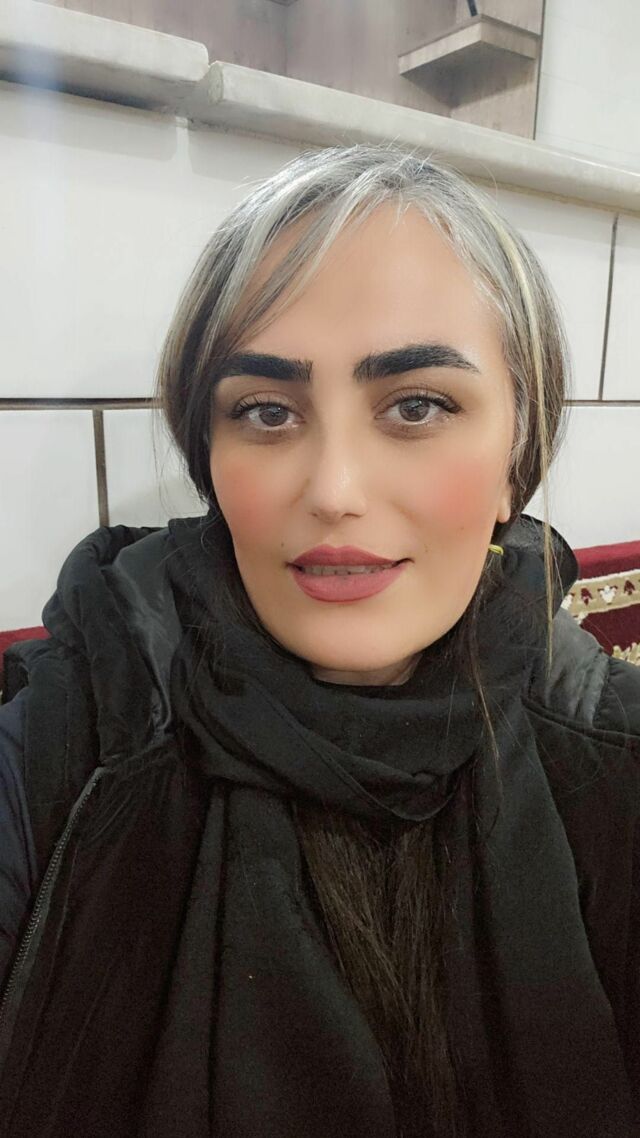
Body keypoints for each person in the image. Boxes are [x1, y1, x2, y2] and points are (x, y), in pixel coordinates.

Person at [0, 142, 639, 1138]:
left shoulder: (613, 757)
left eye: (417, 405)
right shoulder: (75, 741)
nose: (334, 489)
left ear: (516, 459)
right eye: (266, 411)